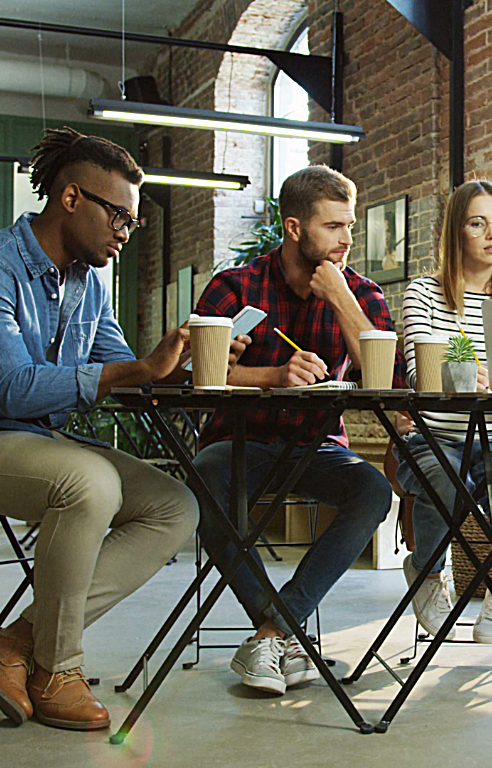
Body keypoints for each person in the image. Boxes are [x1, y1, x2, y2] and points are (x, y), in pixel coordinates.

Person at [0, 128, 246, 730]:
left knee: (174, 506)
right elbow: (11, 387)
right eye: (119, 216)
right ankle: (58, 668)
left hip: (36, 444)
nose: (125, 233)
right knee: (88, 484)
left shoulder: (88, 284)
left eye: (132, 224)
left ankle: (15, 643)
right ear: (72, 198)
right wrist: (135, 368)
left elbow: (124, 373)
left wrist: (181, 367)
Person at [192, 164, 400, 696]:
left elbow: (389, 378)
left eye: (350, 226)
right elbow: (189, 375)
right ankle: (283, 631)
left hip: (318, 445)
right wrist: (268, 375)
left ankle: (273, 631)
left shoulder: (360, 294)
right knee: (203, 483)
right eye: (333, 227)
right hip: (238, 441)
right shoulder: (234, 287)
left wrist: (340, 299)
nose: (347, 240)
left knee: (373, 490)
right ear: (293, 229)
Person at [396, 180, 492, 644]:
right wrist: (460, 373)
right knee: (443, 480)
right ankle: (425, 573)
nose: (491, 234)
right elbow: (421, 373)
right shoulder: (424, 293)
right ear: (457, 232)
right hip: (437, 438)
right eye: (477, 223)